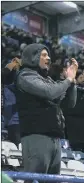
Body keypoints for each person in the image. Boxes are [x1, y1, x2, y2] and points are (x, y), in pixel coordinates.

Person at [15, 43, 78, 176]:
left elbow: (69, 104)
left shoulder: (47, 79)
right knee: (35, 179)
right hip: (36, 137)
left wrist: (72, 84)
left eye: (48, 55)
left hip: (54, 138)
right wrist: (67, 80)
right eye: (44, 55)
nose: (48, 58)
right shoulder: (25, 76)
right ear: (32, 57)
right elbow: (50, 92)